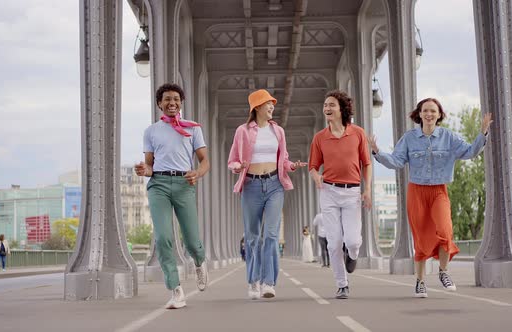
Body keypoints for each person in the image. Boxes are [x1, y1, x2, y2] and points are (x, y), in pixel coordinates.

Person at [368, 97, 492, 298]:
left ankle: (444, 272)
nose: (429, 114)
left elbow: (469, 152)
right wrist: (377, 152)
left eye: (433, 111)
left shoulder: (448, 137)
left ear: (439, 115)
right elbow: (396, 161)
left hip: (438, 191)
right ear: (419, 114)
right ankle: (420, 281)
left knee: (445, 230)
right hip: (416, 192)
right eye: (425, 110)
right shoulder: (409, 138)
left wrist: (483, 134)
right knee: (421, 239)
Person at [135, 83, 209, 309]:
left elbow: (205, 161)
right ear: (159, 104)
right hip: (159, 185)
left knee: (191, 240)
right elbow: (150, 166)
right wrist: (143, 170)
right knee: (163, 238)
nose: (172, 103)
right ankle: (176, 290)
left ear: (181, 103)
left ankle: (199, 261)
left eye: (176, 99)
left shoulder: (193, 129)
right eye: (167, 99)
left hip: (184, 184)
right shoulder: (151, 131)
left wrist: (197, 172)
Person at [228, 89, 307, 300]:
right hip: (251, 186)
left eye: (273, 103)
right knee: (253, 238)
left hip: (274, 185)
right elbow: (232, 160)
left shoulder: (278, 131)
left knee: (271, 235)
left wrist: (292, 165)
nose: (272, 107)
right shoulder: (242, 131)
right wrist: (239, 167)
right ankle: (253, 281)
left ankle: (268, 282)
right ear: (257, 107)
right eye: (268, 103)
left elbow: (284, 158)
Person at [308, 90, 372, 300]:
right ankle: (342, 284)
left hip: (352, 192)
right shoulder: (320, 138)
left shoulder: (357, 133)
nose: (327, 108)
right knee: (333, 242)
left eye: (331, 105)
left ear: (342, 108)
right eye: (325, 105)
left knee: (353, 241)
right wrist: (316, 177)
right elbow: (313, 166)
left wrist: (368, 189)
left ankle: (352, 255)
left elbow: (367, 163)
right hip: (329, 192)